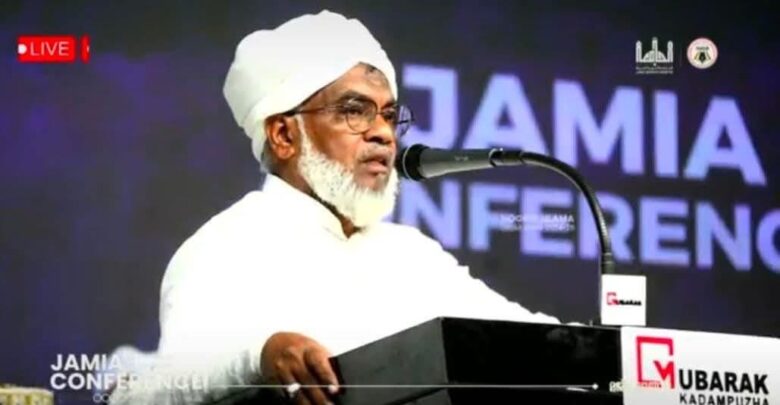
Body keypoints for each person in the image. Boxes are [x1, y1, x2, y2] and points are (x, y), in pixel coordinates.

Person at [110, 10, 560, 405]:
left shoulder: (413, 255)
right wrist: (261, 356)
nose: (384, 133)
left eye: (388, 115)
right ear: (284, 136)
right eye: (354, 111)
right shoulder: (226, 245)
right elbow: (149, 393)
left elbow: (537, 339)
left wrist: (596, 344)